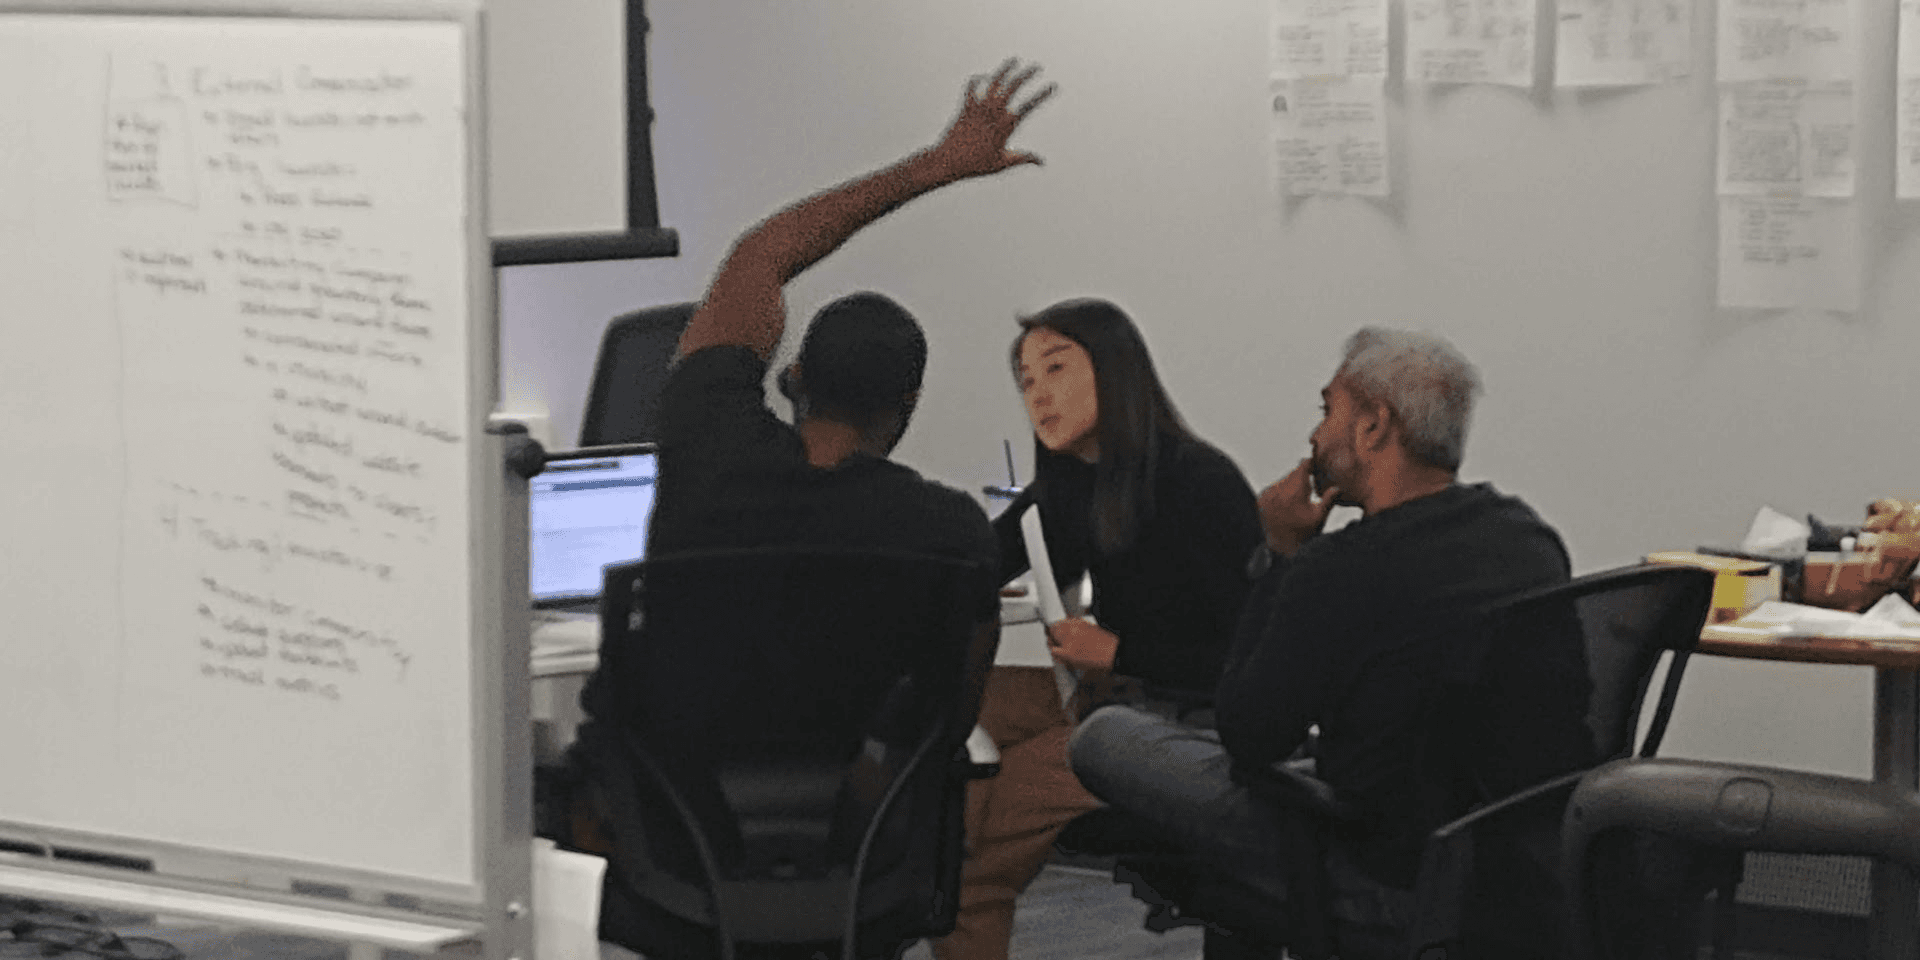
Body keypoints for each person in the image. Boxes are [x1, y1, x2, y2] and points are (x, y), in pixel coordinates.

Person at [567, 59, 1058, 960]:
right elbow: (945, 723)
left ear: (793, 377)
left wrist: (936, 164)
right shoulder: (949, 535)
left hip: (672, 859)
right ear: (906, 408)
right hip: (865, 870)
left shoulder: (705, 443)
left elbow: (762, 254)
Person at [1067, 326, 1573, 949]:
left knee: (1103, 737)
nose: (1314, 435)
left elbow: (1249, 736)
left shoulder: (1341, 566)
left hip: (1373, 866)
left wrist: (1280, 553)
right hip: (1507, 866)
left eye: (1328, 410)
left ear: (1373, 427)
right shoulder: (1526, 537)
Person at [932, 298, 1264, 960]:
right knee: (950, 707)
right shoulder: (1070, 487)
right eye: (1026, 380)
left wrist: (1120, 652)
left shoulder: (1199, 481)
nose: (1038, 395)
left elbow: (1245, 664)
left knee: (976, 836)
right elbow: (977, 561)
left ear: (1115, 371)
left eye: (1056, 369)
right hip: (1111, 697)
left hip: (1186, 720)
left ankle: (962, 870)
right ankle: (947, 862)